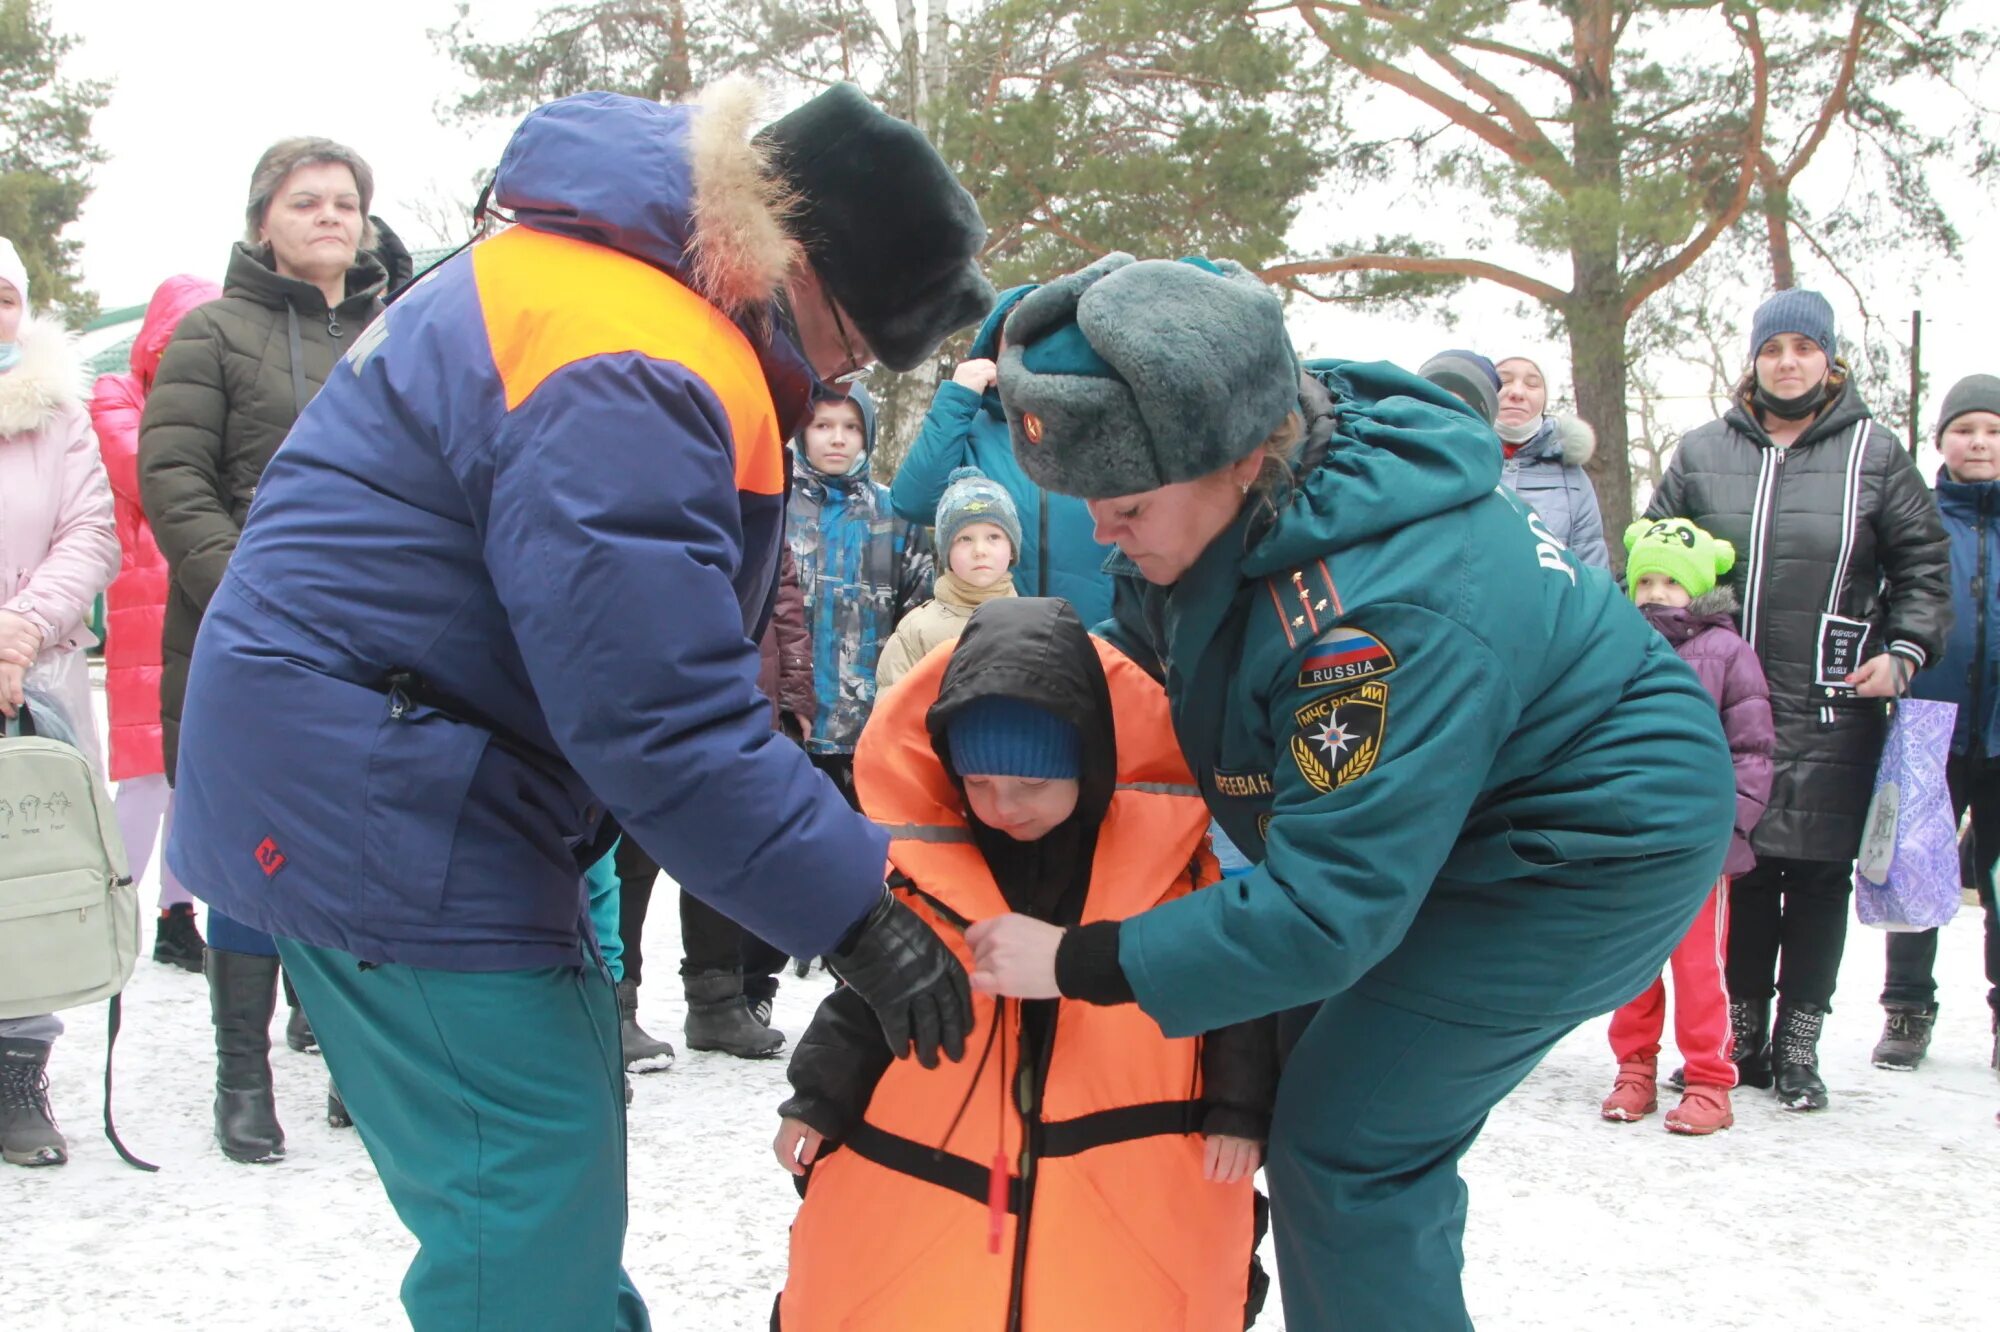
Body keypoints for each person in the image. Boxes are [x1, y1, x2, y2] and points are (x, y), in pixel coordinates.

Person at [161, 80, 989, 1329]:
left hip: (398, 766)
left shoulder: (596, 284)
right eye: (856, 333)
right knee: (523, 1194)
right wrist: (857, 914)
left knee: (545, 1179)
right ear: (799, 266)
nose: (848, 370)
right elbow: (657, 704)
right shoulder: (631, 354)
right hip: (383, 792)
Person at [964, 253, 1736, 1331]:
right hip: (1462, 804)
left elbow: (1329, 912)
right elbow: (1153, 631)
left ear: (1237, 459)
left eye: (1126, 504)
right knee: (1304, 1079)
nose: (1101, 531)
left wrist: (1076, 962)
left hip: (1588, 848)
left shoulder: (1374, 626)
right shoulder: (1263, 455)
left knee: (1349, 1148)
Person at [774, 597, 1274, 1330]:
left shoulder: (1178, 881)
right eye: (978, 785)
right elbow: (863, 1007)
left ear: (1091, 764)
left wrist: (1239, 1109)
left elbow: (1227, 995)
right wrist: (817, 1100)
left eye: (1033, 784)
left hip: (1122, 1221)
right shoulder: (923, 878)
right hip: (943, 1213)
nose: (1004, 806)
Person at [139, 135, 386, 1162]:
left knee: (358, 849)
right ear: (261, 225)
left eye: (344, 202)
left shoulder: (401, 331)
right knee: (252, 854)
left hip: (378, 638)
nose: (330, 216)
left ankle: (355, 1060)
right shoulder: (212, 335)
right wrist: (248, 592)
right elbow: (173, 479)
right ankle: (243, 1079)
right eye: (305, 202)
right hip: (244, 634)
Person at [1646, 288, 1950, 1111]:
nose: (1787, 363)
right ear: (1754, 359)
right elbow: (1653, 559)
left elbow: (1923, 565)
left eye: (1803, 350)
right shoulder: (1703, 451)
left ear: (1829, 359)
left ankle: (1798, 1047)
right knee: (1737, 869)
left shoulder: (1875, 454)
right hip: (1718, 706)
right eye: (1773, 349)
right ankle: (1739, 1038)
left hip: (1833, 702)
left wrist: (1902, 652)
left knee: (1816, 876)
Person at [0, 238, 120, 1170]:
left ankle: (16, 1076)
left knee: (26, 870)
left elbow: (89, 531)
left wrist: (20, 630)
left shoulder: (59, 416)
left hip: (30, 675)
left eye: (3, 295)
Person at [1600, 518, 1774, 1135]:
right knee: (1632, 965)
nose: (1655, 591)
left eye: (1671, 580)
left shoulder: (1728, 653)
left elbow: (1752, 748)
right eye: (1645, 578)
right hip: (1627, 841)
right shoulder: (1613, 641)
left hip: (1699, 846)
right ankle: (1634, 1068)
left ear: (1698, 585)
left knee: (1699, 969)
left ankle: (1709, 1079)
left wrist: (1733, 825)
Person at [616, 548, 814, 1070]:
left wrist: (793, 702)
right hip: (650, 695)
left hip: (740, 695)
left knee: (723, 852)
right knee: (630, 857)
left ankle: (717, 1002)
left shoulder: (759, 509)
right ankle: (616, 1002)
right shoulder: (649, 497)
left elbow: (786, 608)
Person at [89, 273, 222, 975]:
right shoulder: (118, 396)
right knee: (145, 772)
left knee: (191, 766)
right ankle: (104, 912)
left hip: (197, 592)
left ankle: (177, 914)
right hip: (146, 600)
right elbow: (153, 477)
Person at [1873, 374, 2000, 1074]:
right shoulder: (1918, 516)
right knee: (1914, 868)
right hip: (1928, 720)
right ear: (1942, 440)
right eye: (1965, 430)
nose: (1979, 442)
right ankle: (1906, 1008)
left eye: (1993, 430)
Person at [891, 286, 1117, 623]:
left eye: (1044, 335)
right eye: (1016, 337)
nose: (1030, 350)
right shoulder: (969, 429)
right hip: (992, 646)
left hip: (1098, 644)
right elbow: (914, 501)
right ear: (993, 351)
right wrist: (957, 398)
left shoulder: (1103, 425)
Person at [786, 384, 932, 798]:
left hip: (870, 728)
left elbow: (919, 619)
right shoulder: (776, 506)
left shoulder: (895, 514)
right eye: (823, 425)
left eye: (851, 427)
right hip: (789, 726)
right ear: (802, 431)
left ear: (866, 434)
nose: (837, 438)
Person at [876, 466, 1019, 689]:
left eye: (993, 537)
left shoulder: (1034, 626)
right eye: (965, 539)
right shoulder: (916, 633)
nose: (980, 550)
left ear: (1012, 549)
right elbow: (893, 716)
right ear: (946, 554)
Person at [1492, 356, 1610, 570]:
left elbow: (1592, 571)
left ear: (1545, 398)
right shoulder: (1459, 460)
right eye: (1504, 380)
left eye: (1532, 383)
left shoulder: (1573, 479)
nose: (1517, 393)